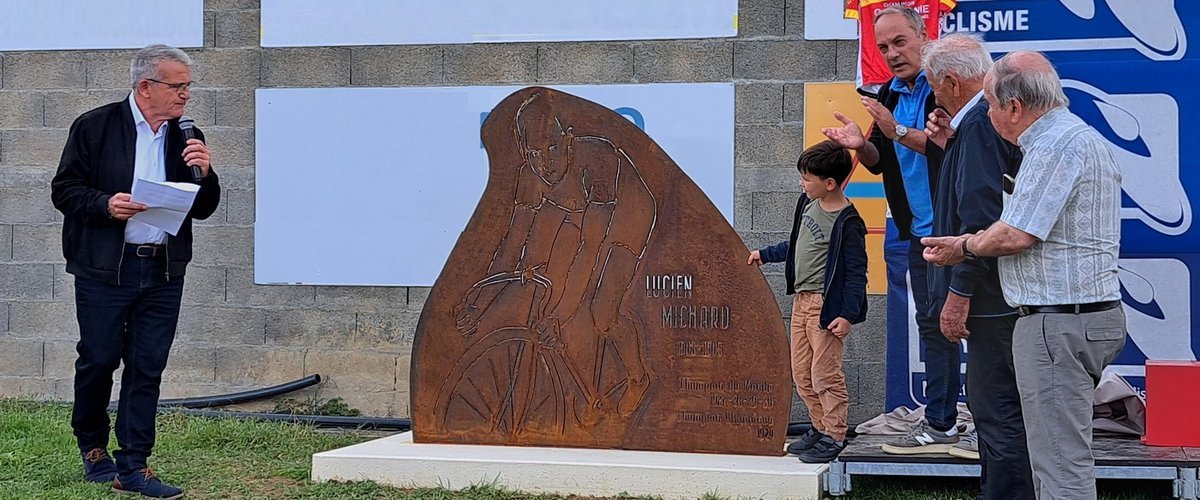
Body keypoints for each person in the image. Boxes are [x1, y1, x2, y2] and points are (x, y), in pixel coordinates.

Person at [923, 50, 1125, 500]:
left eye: (991, 105)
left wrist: (964, 247)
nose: (987, 115)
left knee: (1059, 463)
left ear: (1013, 107)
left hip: (1058, 321)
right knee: (1058, 454)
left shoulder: (1054, 146)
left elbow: (1016, 233)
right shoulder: (1073, 138)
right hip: (1075, 316)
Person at [51, 44, 220, 499]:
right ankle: (93, 448)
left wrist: (205, 173)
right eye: (177, 86)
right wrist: (105, 204)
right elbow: (64, 190)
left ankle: (134, 466)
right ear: (146, 86)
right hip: (106, 269)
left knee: (147, 367)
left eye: (188, 86)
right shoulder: (95, 126)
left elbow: (204, 207)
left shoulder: (187, 135)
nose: (185, 94)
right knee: (99, 359)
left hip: (162, 269)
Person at [821, 5, 964, 454]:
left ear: (924, 36)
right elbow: (881, 161)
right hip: (919, 234)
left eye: (900, 42)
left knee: (975, 325)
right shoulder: (888, 91)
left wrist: (895, 128)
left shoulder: (947, 86)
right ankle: (941, 424)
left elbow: (949, 151)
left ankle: (992, 424)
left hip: (962, 233)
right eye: (883, 47)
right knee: (934, 326)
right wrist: (861, 145)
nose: (892, 53)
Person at [921, 34, 1033, 498]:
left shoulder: (981, 126)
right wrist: (947, 147)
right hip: (1000, 294)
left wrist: (959, 293)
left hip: (990, 298)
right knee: (1000, 410)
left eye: (935, 88)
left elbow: (981, 217)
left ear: (950, 82)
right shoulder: (977, 127)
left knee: (996, 410)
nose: (935, 99)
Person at [748, 140, 868, 464]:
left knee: (824, 374)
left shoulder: (848, 222)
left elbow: (856, 273)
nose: (802, 183)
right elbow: (797, 244)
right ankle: (819, 426)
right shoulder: (807, 203)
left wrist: (847, 314)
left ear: (829, 183)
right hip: (801, 302)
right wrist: (765, 254)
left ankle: (835, 434)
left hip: (825, 308)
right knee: (801, 373)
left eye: (807, 178)